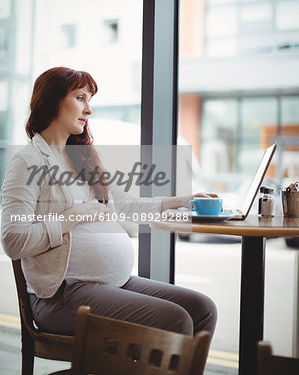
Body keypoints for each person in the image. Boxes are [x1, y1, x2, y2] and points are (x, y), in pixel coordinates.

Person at [1, 67, 217, 338]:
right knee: (175, 321)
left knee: (202, 309)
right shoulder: (27, 161)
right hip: (62, 295)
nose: (88, 110)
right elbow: (13, 239)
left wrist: (184, 200)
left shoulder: (85, 158)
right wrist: (74, 215)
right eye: (80, 98)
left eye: (89, 101)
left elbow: (127, 207)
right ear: (52, 100)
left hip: (113, 285)